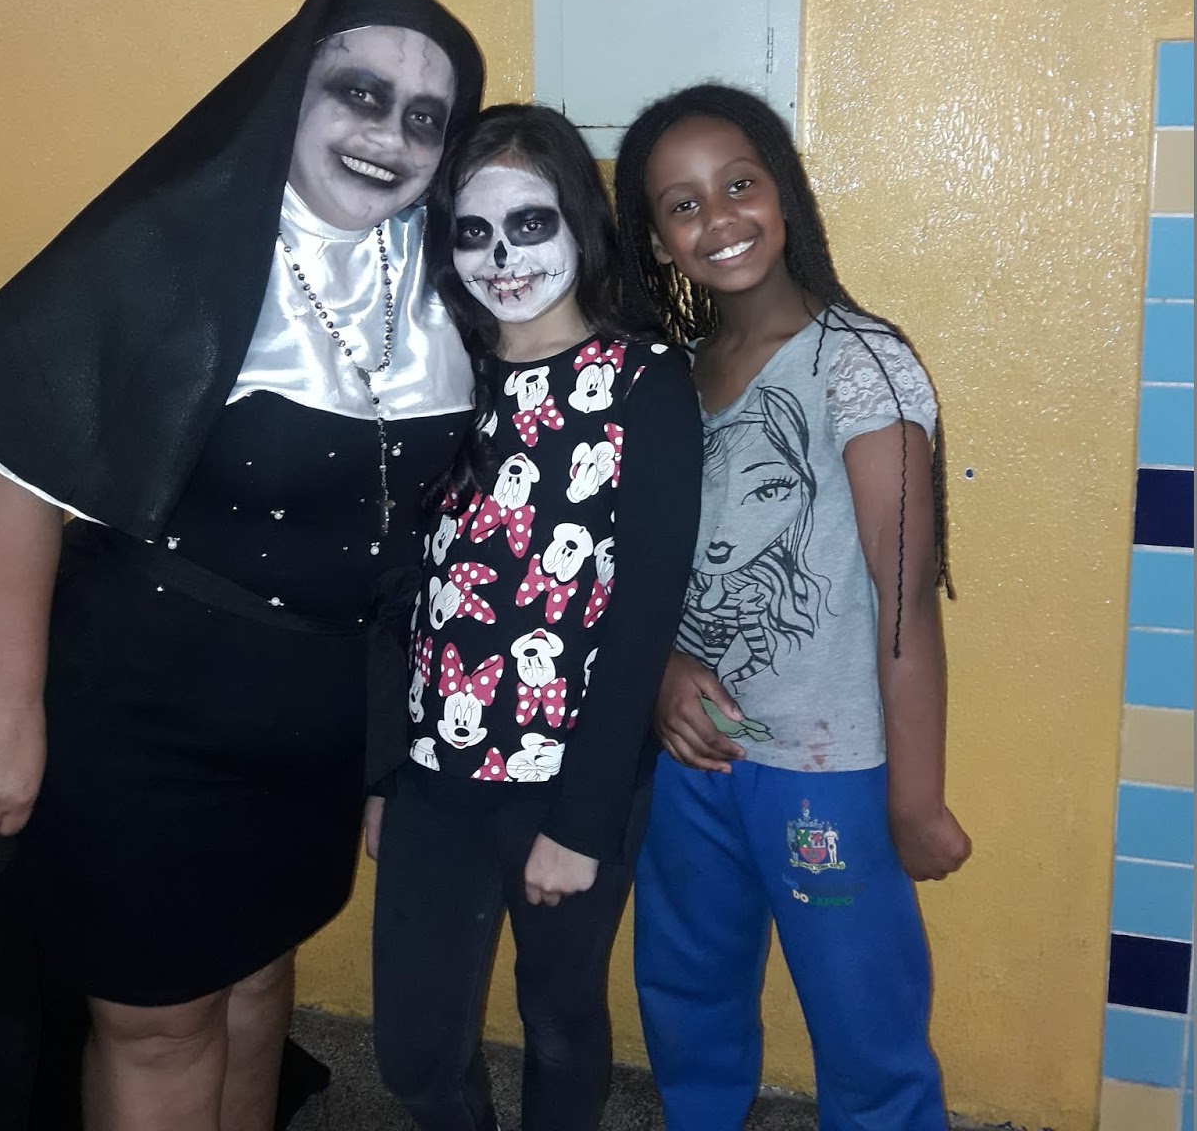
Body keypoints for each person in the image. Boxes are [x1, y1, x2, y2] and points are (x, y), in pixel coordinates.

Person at [0, 0, 484, 1131]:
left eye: (426, 116)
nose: (391, 135)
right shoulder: (171, 245)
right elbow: (18, 464)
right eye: (360, 93)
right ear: (290, 93)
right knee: (161, 1024)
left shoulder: (450, 278)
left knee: (262, 978)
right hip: (144, 710)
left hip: (314, 719)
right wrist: (8, 711)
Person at [614, 84, 972, 1131]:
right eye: (683, 204)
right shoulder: (669, 379)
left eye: (739, 185)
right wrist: (660, 673)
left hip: (828, 771)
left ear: (783, 193)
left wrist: (916, 798)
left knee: (865, 1020)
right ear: (658, 240)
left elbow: (905, 599)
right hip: (691, 759)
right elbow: (641, 572)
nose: (719, 218)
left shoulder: (860, 364)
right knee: (686, 992)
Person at [368, 104, 703, 1131]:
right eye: (474, 231)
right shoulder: (433, 375)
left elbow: (643, 615)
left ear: (579, 225)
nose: (503, 258)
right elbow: (394, 587)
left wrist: (581, 822)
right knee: (414, 1053)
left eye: (529, 223)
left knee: (558, 1022)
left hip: (573, 778)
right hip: (432, 773)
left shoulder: (645, 383)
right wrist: (381, 774)